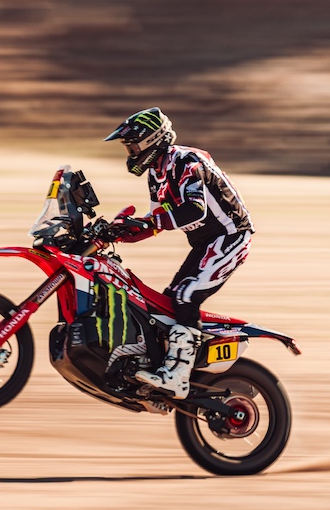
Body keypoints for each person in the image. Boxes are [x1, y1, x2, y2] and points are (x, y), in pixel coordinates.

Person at [104, 107, 253, 399]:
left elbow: (194, 209)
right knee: (168, 301)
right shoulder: (155, 174)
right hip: (205, 244)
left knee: (186, 295)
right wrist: (120, 232)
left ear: (151, 140)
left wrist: (149, 224)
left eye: (133, 146)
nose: (130, 153)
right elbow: (156, 221)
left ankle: (178, 377)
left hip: (231, 237)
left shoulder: (186, 161)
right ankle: (165, 368)